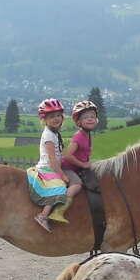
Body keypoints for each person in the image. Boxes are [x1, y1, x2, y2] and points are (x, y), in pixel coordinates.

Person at [35, 98, 82, 231]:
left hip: (54, 166)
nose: (56, 119)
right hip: (48, 169)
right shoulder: (49, 136)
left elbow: (57, 155)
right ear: (44, 119)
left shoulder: (54, 133)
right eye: (51, 117)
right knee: (57, 189)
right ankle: (43, 216)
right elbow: (51, 158)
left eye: (58, 116)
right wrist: (61, 175)